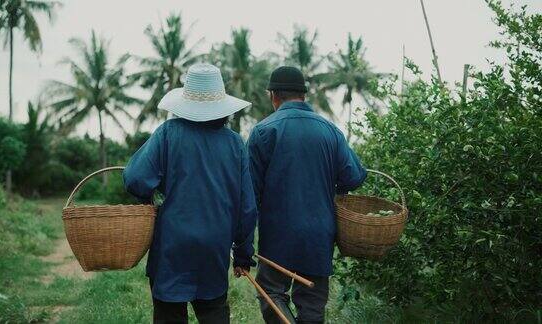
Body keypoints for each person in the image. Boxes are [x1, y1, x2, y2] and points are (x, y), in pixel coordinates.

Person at [123, 63, 257, 324]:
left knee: (169, 314)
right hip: (214, 246)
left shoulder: (167, 134)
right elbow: (246, 208)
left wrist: (154, 193)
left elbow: (135, 178)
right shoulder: (235, 144)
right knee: (214, 312)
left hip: (172, 244)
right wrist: (243, 253)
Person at [248, 66, 367, 324]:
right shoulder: (330, 131)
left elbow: (250, 194)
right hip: (319, 233)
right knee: (312, 302)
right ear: (304, 96)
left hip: (277, 233)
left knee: (271, 291)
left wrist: (243, 241)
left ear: (273, 95)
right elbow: (354, 177)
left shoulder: (263, 131)